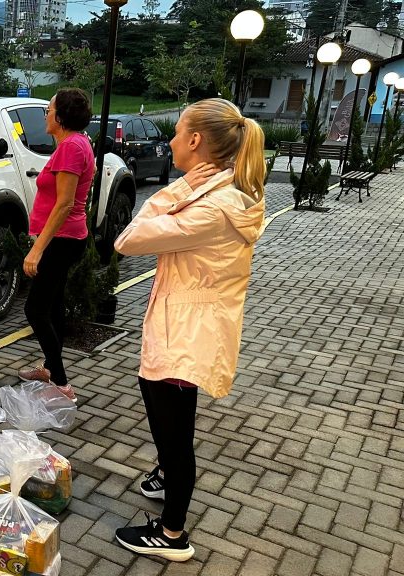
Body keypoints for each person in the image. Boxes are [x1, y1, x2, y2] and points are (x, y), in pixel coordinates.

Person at [112, 98, 266, 561]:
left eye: (178, 132)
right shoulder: (216, 192)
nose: (172, 140)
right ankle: (165, 476)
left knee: (174, 432)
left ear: (196, 141)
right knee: (166, 408)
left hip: (186, 330)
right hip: (185, 325)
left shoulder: (211, 207)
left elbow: (128, 239)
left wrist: (170, 193)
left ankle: (173, 534)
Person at [17, 88, 96, 402]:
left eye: (48, 110)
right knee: (53, 306)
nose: (45, 114)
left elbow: (64, 205)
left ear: (60, 117)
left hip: (61, 240)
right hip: (65, 238)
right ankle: (50, 367)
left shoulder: (71, 147)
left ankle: (61, 383)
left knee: (35, 310)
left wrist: (37, 250)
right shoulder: (74, 144)